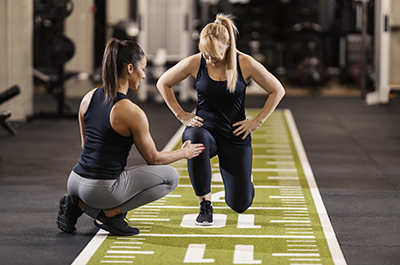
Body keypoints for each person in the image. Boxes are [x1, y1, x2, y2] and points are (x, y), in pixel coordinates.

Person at [57, 38, 205, 236]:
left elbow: (86, 145)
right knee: (170, 178)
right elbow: (154, 159)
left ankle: (79, 205)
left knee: (121, 174)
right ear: (129, 68)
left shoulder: (89, 97)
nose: (144, 76)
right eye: (142, 69)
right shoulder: (131, 112)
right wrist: (185, 152)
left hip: (74, 180)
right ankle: (110, 215)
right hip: (99, 189)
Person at [156, 13, 285, 226]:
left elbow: (277, 90)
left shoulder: (245, 63)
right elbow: (163, 83)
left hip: (235, 135)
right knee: (194, 139)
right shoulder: (196, 62)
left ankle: (243, 184)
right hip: (205, 130)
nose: (209, 60)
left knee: (240, 204)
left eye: (214, 56)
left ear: (227, 48)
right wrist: (182, 115)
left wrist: (257, 121)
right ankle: (205, 204)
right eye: (205, 55)